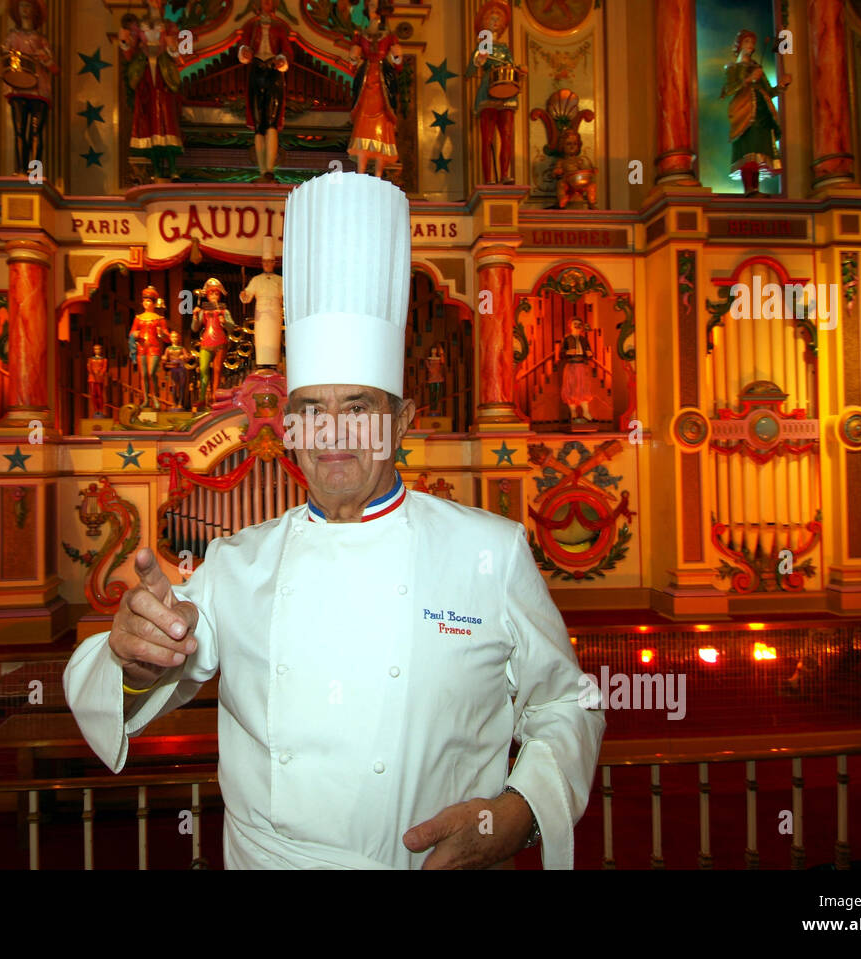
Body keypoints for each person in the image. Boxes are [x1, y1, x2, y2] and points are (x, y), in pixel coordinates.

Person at [64, 172, 605, 869]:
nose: (334, 435)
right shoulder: (236, 562)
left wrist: (520, 812)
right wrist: (132, 651)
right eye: (311, 410)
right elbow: (123, 678)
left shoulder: (489, 554)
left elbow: (570, 703)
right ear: (287, 426)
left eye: (358, 408)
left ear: (403, 421)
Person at [119, 0, 186, 182]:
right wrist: (125, 42)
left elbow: (178, 56)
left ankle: (173, 170)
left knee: (167, 120)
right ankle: (157, 171)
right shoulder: (137, 25)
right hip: (146, 74)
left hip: (163, 74)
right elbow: (129, 53)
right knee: (149, 122)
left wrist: (172, 47)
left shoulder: (170, 26)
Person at [720, 29, 791, 197]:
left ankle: (755, 189)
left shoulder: (757, 67)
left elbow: (768, 91)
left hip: (762, 113)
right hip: (744, 112)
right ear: (739, 46)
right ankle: (749, 189)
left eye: (752, 43)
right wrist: (749, 79)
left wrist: (781, 86)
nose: (751, 46)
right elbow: (728, 90)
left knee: (758, 151)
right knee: (748, 151)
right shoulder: (733, 68)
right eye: (747, 42)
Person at [0, 0, 58, 174]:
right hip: (18, 87)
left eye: (28, 6)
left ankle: (35, 172)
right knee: (19, 130)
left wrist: (45, 58)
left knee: (36, 132)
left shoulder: (41, 40)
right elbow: (2, 56)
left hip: (39, 89)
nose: (25, 10)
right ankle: (20, 170)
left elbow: (55, 68)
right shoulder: (13, 36)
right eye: (22, 6)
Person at [465, 1, 525, 185]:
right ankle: (488, 178)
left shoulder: (504, 48)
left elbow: (511, 68)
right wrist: (478, 61)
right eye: (491, 19)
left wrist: (520, 70)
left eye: (498, 20)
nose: (495, 22)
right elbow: (469, 72)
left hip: (506, 93)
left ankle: (505, 174)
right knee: (487, 138)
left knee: (506, 135)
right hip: (488, 93)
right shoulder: (483, 46)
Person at [237, 0, 294, 182]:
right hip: (256, 71)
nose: (266, 2)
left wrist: (282, 60)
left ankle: (269, 169)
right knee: (258, 123)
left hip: (273, 73)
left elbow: (287, 50)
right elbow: (244, 44)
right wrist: (245, 51)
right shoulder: (251, 26)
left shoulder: (279, 27)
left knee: (271, 122)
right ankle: (262, 170)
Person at [345, 1, 402, 177]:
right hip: (367, 79)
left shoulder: (389, 36)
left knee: (383, 122)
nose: (371, 7)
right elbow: (353, 61)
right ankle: (361, 172)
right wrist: (354, 58)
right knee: (363, 123)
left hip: (382, 80)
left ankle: (378, 173)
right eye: (369, 4)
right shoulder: (360, 35)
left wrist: (397, 56)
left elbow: (398, 62)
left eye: (374, 4)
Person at [191, 278, 236, 407]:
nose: (214, 296)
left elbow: (232, 327)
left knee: (217, 370)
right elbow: (195, 328)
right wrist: (194, 316)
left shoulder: (224, 311)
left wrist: (225, 322)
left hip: (220, 342)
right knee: (204, 368)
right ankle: (202, 397)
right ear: (208, 295)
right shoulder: (204, 311)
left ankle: (214, 398)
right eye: (211, 294)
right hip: (206, 342)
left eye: (216, 294)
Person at [239, 240, 284, 367]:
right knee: (262, 340)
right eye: (265, 262)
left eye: (270, 262)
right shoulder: (256, 280)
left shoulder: (280, 280)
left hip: (275, 313)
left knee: (273, 340)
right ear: (262, 263)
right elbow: (247, 295)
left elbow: (287, 294)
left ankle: (274, 366)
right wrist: (244, 295)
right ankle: (261, 366)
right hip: (261, 315)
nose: (267, 264)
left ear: (273, 263)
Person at [129, 286, 171, 409]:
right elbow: (131, 333)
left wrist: (162, 334)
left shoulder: (160, 319)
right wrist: (134, 335)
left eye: (148, 301)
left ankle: (155, 397)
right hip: (142, 348)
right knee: (144, 375)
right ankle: (146, 400)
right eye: (144, 300)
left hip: (154, 348)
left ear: (153, 303)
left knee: (151, 372)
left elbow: (167, 338)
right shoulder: (138, 318)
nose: (146, 303)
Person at [560, 316, 593, 422]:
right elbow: (561, 354)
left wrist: (590, 354)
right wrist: (567, 353)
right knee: (571, 389)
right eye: (575, 323)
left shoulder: (584, 339)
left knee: (583, 389)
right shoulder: (567, 338)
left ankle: (586, 412)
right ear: (570, 325)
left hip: (582, 366)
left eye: (579, 324)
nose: (577, 326)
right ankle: (573, 413)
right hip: (571, 365)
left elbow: (589, 352)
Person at [161, 329, 193, 410]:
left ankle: (180, 403)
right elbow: (165, 358)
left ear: (178, 338)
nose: (174, 338)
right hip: (173, 368)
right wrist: (164, 358)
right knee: (174, 386)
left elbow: (187, 358)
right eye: (173, 337)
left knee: (182, 386)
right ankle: (174, 402)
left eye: (176, 337)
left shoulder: (182, 348)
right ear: (170, 338)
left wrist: (186, 357)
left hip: (181, 368)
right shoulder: (168, 349)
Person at [86, 343, 108, 417]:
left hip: (99, 378)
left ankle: (100, 410)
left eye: (98, 349)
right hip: (92, 378)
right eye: (95, 349)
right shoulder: (90, 359)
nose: (97, 350)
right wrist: (93, 372)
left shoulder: (104, 359)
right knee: (93, 394)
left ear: (101, 350)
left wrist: (100, 373)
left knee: (100, 394)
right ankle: (95, 410)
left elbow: (104, 368)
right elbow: (89, 368)